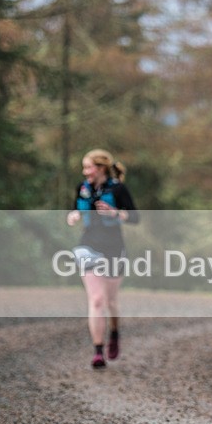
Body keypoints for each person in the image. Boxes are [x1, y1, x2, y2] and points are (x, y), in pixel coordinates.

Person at [67, 149, 139, 368]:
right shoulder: (82, 188)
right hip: (87, 246)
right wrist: (74, 215)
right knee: (96, 300)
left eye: (88, 167)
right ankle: (98, 351)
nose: (85, 171)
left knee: (110, 302)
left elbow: (135, 217)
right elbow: (75, 210)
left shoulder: (118, 189)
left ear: (100, 168)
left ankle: (114, 333)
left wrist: (115, 213)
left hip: (114, 248)